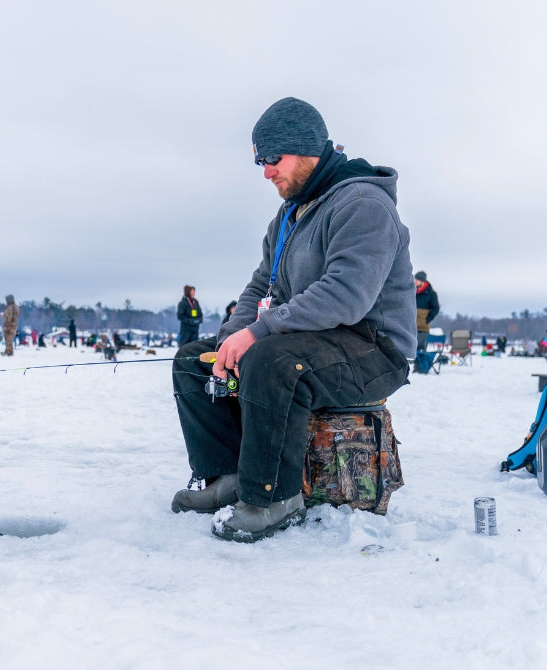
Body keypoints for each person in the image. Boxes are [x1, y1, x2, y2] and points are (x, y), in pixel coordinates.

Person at [171, 97, 415, 542]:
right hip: (313, 340)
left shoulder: (363, 204)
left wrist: (259, 334)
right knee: (195, 359)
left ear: (306, 150)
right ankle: (225, 477)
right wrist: (230, 340)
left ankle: (272, 498)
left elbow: (346, 296)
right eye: (259, 161)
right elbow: (260, 288)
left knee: (272, 359)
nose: (266, 172)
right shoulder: (289, 216)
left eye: (272, 159)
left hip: (374, 348)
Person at [414, 271, 440, 353]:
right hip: (411, 327)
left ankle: (420, 366)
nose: (415, 281)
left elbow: (436, 308)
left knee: (420, 352)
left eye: (417, 280)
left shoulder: (431, 294)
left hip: (423, 329)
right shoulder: (412, 292)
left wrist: (427, 320)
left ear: (422, 281)